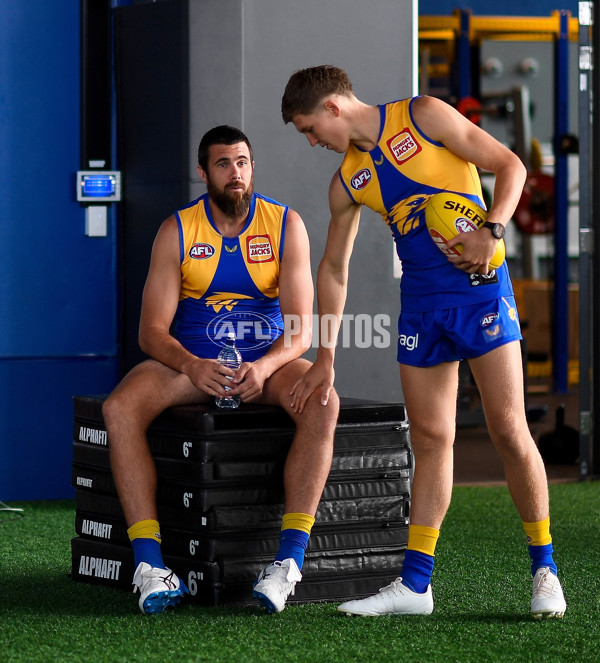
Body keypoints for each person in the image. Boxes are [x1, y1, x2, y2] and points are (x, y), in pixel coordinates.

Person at [281, 65, 566, 619]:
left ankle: (545, 570)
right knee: (432, 438)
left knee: (509, 429)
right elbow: (333, 269)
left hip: (481, 294)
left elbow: (510, 165)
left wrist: (494, 229)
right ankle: (416, 586)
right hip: (422, 307)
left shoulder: (423, 115)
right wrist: (325, 355)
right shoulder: (348, 182)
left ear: (334, 107)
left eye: (309, 128)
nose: (312, 141)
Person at [102, 125, 339, 615]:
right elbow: (151, 331)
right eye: (224, 164)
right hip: (193, 365)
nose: (237, 173)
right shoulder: (178, 229)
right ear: (203, 172)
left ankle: (287, 563)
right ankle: (150, 566)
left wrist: (266, 364)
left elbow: (300, 329)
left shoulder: (284, 224)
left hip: (266, 367)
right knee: (120, 407)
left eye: (244, 162)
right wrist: (193, 365)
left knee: (322, 399)